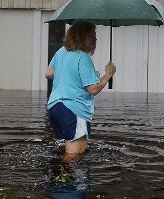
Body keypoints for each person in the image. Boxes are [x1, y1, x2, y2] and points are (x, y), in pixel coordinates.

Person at [46, 21, 116, 162]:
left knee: (69, 150)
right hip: (73, 110)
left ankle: (58, 178)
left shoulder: (61, 51)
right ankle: (61, 181)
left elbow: (48, 73)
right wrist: (108, 74)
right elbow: (93, 89)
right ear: (80, 36)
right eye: (91, 35)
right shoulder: (83, 57)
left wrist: (67, 74)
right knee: (74, 154)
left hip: (55, 108)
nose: (95, 39)